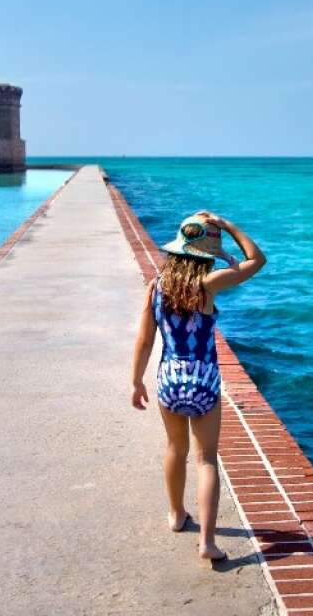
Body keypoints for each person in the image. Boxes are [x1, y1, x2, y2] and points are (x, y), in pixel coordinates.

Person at [130, 211, 266, 564]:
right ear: (206, 253)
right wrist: (230, 226)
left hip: (169, 379)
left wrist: (136, 382)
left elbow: (144, 342)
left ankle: (176, 515)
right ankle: (207, 541)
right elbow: (256, 260)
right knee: (206, 460)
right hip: (203, 380)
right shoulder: (208, 286)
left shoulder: (155, 287)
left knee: (175, 448)